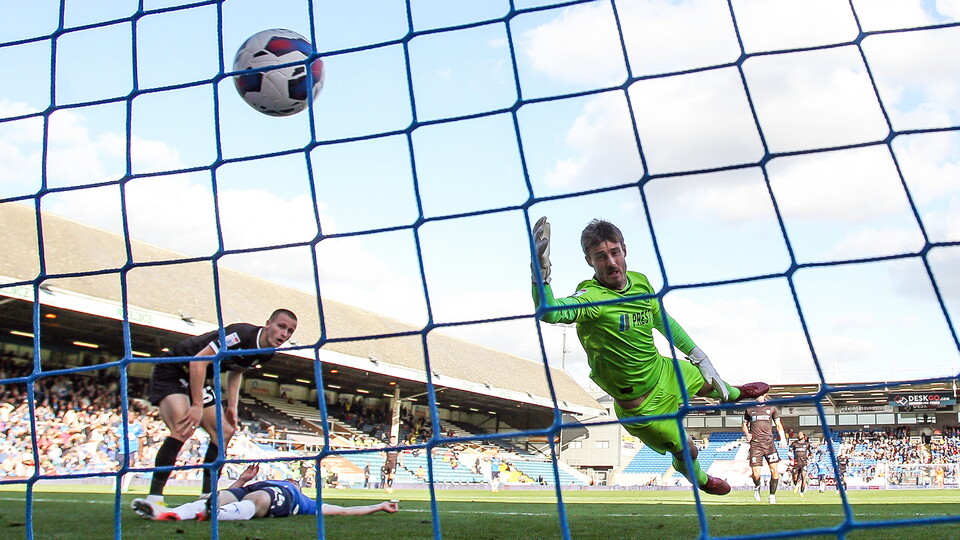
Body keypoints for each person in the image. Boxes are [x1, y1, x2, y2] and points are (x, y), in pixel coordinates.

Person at [530, 217, 769, 497]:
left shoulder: (641, 282)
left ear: (624, 250)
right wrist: (540, 276)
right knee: (688, 449)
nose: (611, 262)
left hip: (663, 370)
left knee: (713, 383)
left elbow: (663, 321)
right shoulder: (592, 298)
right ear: (589, 262)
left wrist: (698, 355)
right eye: (601, 257)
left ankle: (733, 392)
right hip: (642, 409)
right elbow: (549, 312)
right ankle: (700, 478)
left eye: (615, 252)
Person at [133, 309, 298, 508]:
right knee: (184, 426)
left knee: (225, 432)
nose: (285, 334)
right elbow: (198, 361)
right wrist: (196, 405)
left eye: (290, 331)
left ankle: (207, 497)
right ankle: (154, 498)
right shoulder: (241, 334)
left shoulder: (266, 354)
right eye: (281, 327)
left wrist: (232, 407)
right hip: (175, 368)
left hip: (199, 378)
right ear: (268, 323)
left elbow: (237, 371)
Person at [133, 464, 398, 521]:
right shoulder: (262, 482)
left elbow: (343, 510)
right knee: (219, 496)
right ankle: (166, 513)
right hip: (251, 491)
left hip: (273, 501)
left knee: (258, 500)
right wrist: (241, 479)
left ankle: (214, 515)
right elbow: (233, 490)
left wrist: (378, 506)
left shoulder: (306, 501)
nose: (292, 479)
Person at [743, 394, 788, 504]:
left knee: (774, 471)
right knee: (756, 474)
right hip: (756, 444)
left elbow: (778, 424)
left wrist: (783, 438)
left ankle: (772, 496)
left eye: (761, 394)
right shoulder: (749, 408)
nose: (758, 396)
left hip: (769, 444)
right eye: (757, 394)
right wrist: (747, 433)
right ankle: (757, 486)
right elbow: (744, 424)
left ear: (765, 395)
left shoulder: (771, 407)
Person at [789, 431, 811, 497]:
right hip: (796, 463)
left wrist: (809, 458)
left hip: (804, 463)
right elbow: (790, 452)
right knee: (795, 478)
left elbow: (811, 453)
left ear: (804, 436)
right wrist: (791, 458)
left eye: (801, 434)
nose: (799, 435)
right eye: (798, 434)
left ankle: (802, 492)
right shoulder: (794, 443)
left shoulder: (807, 444)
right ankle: (796, 484)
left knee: (804, 477)